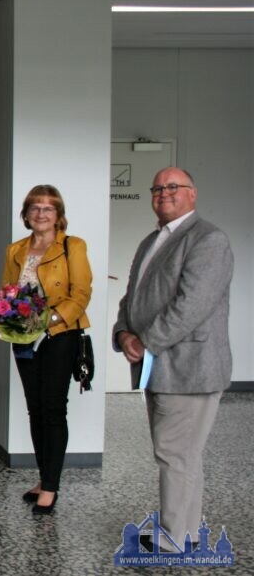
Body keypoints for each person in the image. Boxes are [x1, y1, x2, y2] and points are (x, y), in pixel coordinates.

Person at [113, 167, 232, 550]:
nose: (164, 193)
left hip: (189, 368)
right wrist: (123, 333)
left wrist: (146, 341)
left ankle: (175, 537)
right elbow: (130, 298)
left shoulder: (208, 239)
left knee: (175, 454)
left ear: (192, 194)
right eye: (158, 188)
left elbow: (191, 306)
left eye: (173, 187)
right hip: (160, 365)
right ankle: (186, 531)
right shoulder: (152, 240)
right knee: (180, 454)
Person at [0, 185, 92, 515]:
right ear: (26, 214)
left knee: (53, 408)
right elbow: (8, 291)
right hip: (24, 338)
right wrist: (2, 316)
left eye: (48, 208)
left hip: (58, 336)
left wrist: (48, 321)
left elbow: (81, 293)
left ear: (58, 214)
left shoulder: (73, 246)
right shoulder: (16, 250)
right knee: (35, 408)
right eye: (35, 208)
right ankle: (43, 477)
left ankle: (51, 487)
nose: (41, 213)